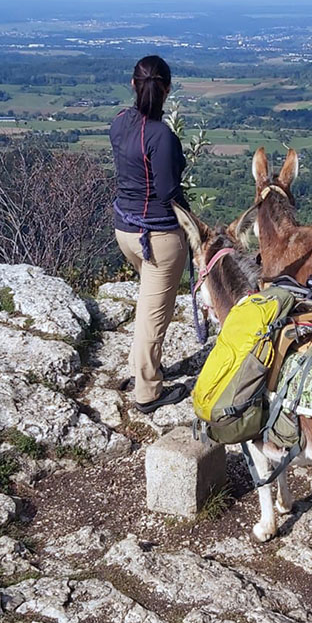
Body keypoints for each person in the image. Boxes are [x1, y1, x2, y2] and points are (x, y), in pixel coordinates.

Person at [110, 54, 189, 412]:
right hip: (159, 237)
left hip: (125, 229)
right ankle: (147, 392)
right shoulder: (162, 137)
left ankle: (141, 369)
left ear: (133, 85)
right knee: (154, 315)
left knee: (148, 303)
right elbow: (168, 190)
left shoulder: (119, 123)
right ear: (167, 89)